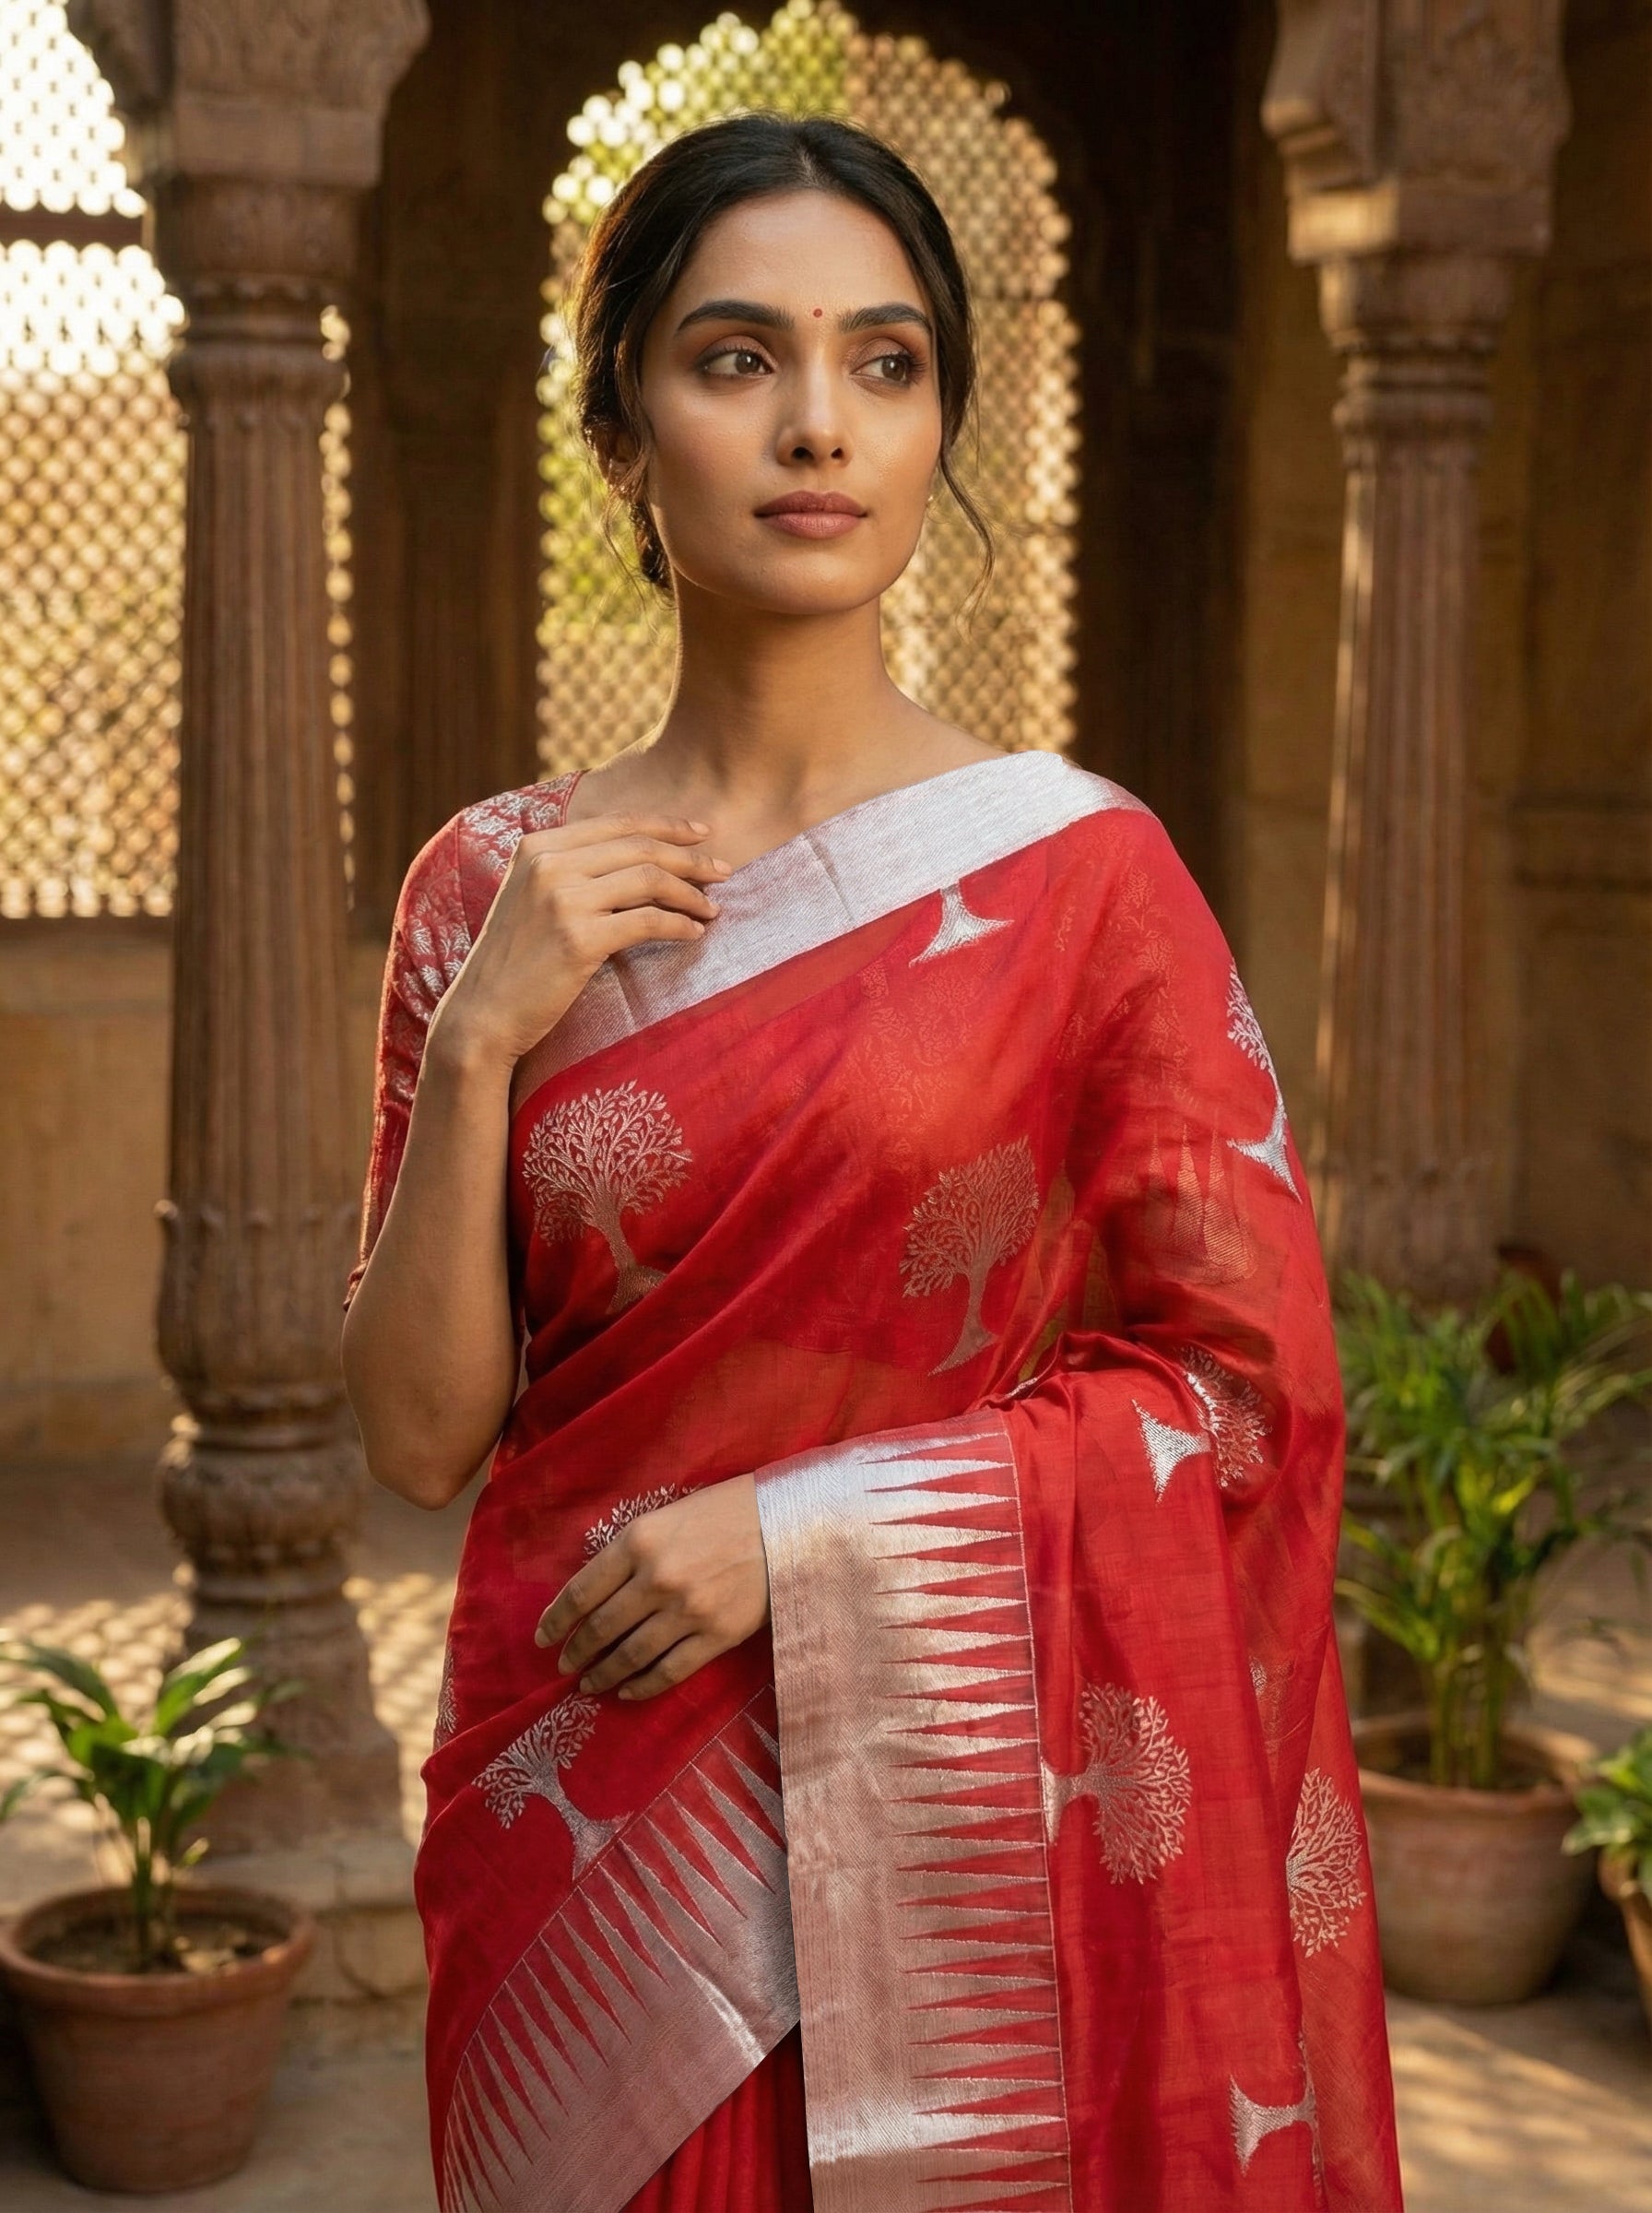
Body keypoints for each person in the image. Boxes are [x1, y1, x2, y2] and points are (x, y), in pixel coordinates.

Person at [341, 111, 1402, 2213]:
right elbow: (417, 1437)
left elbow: (1239, 1397)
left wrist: (810, 1540)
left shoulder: (1081, 882)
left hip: (944, 1804)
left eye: (885, 362)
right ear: (621, 426)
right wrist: (476, 1049)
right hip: (581, 1809)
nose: (816, 423)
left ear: (935, 431)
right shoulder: (490, 885)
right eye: (736, 357)